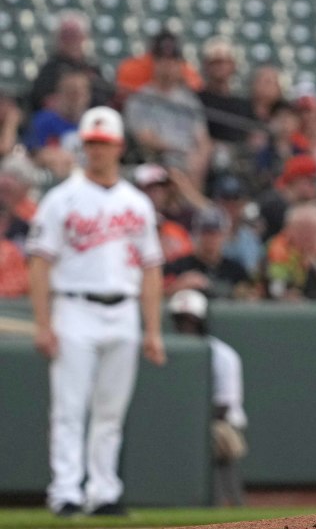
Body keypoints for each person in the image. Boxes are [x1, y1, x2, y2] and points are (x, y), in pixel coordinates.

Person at [26, 107, 166, 517]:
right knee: (69, 408)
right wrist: (43, 323)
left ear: (119, 147)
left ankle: (103, 491)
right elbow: (39, 263)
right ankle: (66, 492)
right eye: (91, 143)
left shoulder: (136, 203)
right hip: (74, 307)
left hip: (123, 311)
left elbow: (152, 268)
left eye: (103, 143)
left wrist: (153, 329)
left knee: (110, 412)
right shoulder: (61, 198)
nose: (97, 150)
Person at [167, 289, 248, 507]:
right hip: (180, 423)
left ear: (201, 322)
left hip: (223, 425)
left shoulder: (222, 354)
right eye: (180, 320)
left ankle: (227, 502)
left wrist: (184, 424)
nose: (185, 326)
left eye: (190, 320)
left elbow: (223, 406)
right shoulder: (167, 351)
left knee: (215, 435)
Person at [122, 32, 212, 187]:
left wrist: (199, 158)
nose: (168, 66)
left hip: (188, 162)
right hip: (158, 160)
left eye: (173, 61)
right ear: (154, 63)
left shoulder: (190, 100)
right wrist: (181, 151)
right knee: (171, 166)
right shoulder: (140, 98)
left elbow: (203, 139)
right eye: (162, 60)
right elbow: (145, 138)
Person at [26, 12, 113, 113]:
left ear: (84, 38)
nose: (71, 41)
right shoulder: (49, 69)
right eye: (66, 36)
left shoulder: (92, 68)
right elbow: (40, 99)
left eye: (75, 35)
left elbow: (105, 97)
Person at [163, 207, 253, 299]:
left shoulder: (236, 270)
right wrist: (179, 285)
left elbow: (253, 297)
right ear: (196, 234)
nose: (211, 239)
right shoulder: (178, 266)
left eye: (215, 233)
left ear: (224, 235)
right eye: (205, 233)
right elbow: (159, 295)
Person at [197, 37, 257, 167]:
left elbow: (253, 136)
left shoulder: (244, 103)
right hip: (207, 160)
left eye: (224, 62)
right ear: (206, 66)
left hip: (240, 160)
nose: (220, 67)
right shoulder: (196, 99)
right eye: (215, 62)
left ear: (233, 65)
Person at [262, 202, 316, 299]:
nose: (309, 237)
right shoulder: (278, 250)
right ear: (290, 229)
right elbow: (276, 291)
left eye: (314, 232)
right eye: (304, 230)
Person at [24, 70, 91, 180]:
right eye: (71, 92)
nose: (75, 98)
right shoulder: (42, 121)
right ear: (59, 94)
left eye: (80, 93)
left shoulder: (94, 123)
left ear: (87, 95)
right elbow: (32, 154)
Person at [114, 29, 203, 101]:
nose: (166, 64)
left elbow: (196, 89)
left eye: (171, 60)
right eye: (161, 59)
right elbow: (123, 96)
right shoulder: (133, 68)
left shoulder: (185, 71)